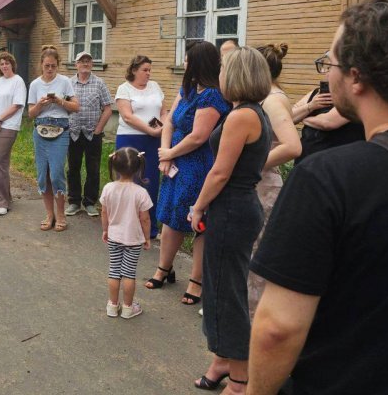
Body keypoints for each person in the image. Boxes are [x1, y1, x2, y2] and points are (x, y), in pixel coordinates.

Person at [249, 0, 388, 395]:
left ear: (357, 77)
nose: (327, 74)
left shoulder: (328, 178)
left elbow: (277, 328)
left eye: (329, 64)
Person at [188, 46, 273, 393]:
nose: (219, 74)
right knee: (221, 288)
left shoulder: (243, 116)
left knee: (227, 294)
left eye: (223, 68)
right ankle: (223, 359)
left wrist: (197, 207)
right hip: (236, 207)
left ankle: (240, 381)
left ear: (236, 74)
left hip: (232, 208)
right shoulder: (248, 112)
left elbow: (220, 173)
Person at [151, 42, 229, 305]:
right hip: (175, 161)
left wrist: (171, 154)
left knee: (198, 221)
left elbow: (199, 136)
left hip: (199, 165)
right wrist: (165, 151)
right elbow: (170, 121)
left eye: (187, 60)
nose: (184, 64)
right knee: (172, 216)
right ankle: (165, 267)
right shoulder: (187, 89)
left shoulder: (213, 96)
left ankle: (197, 280)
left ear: (198, 63)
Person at [247, 43, 301, 317]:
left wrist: (251, 166)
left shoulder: (271, 99)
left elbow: (291, 145)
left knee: (257, 252)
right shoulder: (269, 96)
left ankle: (255, 321)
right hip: (261, 182)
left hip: (264, 185)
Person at [28, 45, 80, 232]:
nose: (50, 69)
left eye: (53, 66)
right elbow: (30, 114)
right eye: (47, 66)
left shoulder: (65, 81)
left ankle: (61, 214)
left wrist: (60, 101)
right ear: (41, 65)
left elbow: (76, 107)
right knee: (43, 175)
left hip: (60, 131)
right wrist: (41, 105)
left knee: (57, 173)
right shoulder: (35, 84)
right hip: (40, 130)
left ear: (58, 66)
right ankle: (49, 214)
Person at [115, 55, 166, 239]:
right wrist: (149, 130)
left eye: (150, 70)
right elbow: (127, 116)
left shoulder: (155, 86)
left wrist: (163, 127)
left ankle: (150, 227)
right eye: (145, 70)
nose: (148, 73)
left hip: (153, 141)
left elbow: (163, 111)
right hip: (130, 139)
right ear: (134, 70)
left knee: (150, 181)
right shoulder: (124, 89)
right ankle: (127, 227)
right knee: (130, 182)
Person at [101, 147, 152, 319]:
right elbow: (145, 219)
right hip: (133, 239)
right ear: (138, 169)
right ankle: (129, 308)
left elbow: (104, 212)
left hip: (114, 237)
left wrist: (105, 230)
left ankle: (112, 306)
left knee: (114, 271)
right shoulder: (141, 192)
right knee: (129, 273)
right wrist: (147, 237)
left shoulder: (108, 188)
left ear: (114, 166)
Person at [67, 51, 113, 217]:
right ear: (76, 64)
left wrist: (99, 129)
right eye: (82, 61)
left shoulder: (99, 83)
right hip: (73, 132)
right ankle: (73, 201)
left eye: (88, 60)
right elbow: (63, 105)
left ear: (92, 64)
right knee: (73, 168)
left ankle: (90, 202)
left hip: (93, 133)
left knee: (93, 168)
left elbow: (108, 108)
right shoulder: (69, 83)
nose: (85, 63)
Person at [0, 52, 27, 216]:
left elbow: (17, 105)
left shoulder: (18, 81)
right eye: (2, 63)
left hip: (9, 125)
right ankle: (1, 195)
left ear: (12, 64)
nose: (4, 66)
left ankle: (3, 202)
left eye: (7, 63)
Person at [291, 74, 364, 163]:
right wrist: (311, 106)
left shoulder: (353, 97)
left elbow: (327, 122)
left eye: (331, 68)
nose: (327, 73)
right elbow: (290, 117)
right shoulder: (316, 93)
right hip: (306, 160)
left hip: (335, 162)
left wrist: (305, 117)